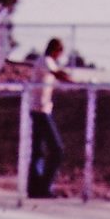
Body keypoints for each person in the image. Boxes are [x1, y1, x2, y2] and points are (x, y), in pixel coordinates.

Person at [27, 38, 72, 198]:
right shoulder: (46, 61)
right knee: (57, 149)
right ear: (55, 50)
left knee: (38, 151)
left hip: (39, 109)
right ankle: (44, 187)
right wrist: (75, 80)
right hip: (40, 111)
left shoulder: (45, 62)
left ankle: (34, 188)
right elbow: (58, 74)